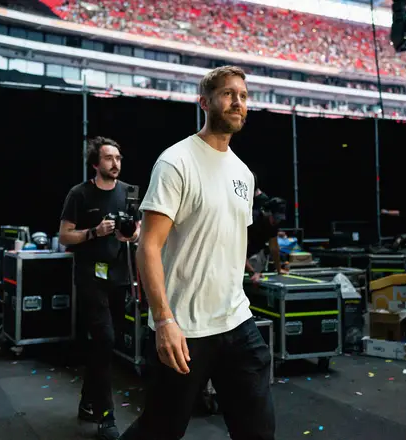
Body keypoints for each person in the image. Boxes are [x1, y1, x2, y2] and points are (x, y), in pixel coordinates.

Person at [120, 65, 275, 440]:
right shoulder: (176, 162)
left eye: (243, 95)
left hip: (236, 321)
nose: (237, 102)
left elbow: (230, 241)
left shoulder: (243, 172)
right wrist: (164, 321)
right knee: (160, 429)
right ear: (204, 102)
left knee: (258, 431)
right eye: (227, 94)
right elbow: (148, 247)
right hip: (185, 328)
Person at [58, 136, 140, 440]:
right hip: (90, 277)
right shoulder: (79, 194)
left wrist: (130, 235)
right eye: (109, 158)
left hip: (120, 276)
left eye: (118, 158)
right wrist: (94, 231)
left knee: (107, 343)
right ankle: (106, 415)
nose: (115, 163)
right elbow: (65, 236)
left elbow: (138, 227)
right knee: (104, 339)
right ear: (96, 163)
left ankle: (86, 400)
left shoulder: (129, 192)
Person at [246, 197, 288, 282]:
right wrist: (252, 272)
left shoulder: (273, 224)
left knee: (262, 254)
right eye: (276, 218)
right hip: (239, 253)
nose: (277, 221)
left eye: (279, 219)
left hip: (254, 251)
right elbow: (239, 251)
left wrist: (279, 269)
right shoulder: (251, 220)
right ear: (267, 213)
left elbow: (274, 248)